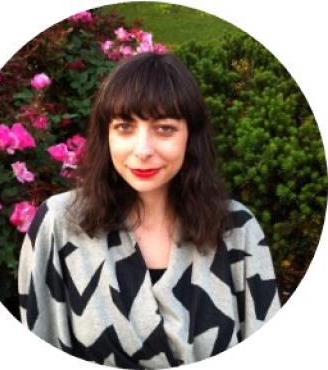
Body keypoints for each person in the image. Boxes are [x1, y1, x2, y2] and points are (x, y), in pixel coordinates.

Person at [18, 52, 280, 369]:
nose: (143, 150)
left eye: (165, 128)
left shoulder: (238, 230)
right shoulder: (60, 224)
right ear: (107, 135)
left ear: (190, 137)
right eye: (125, 127)